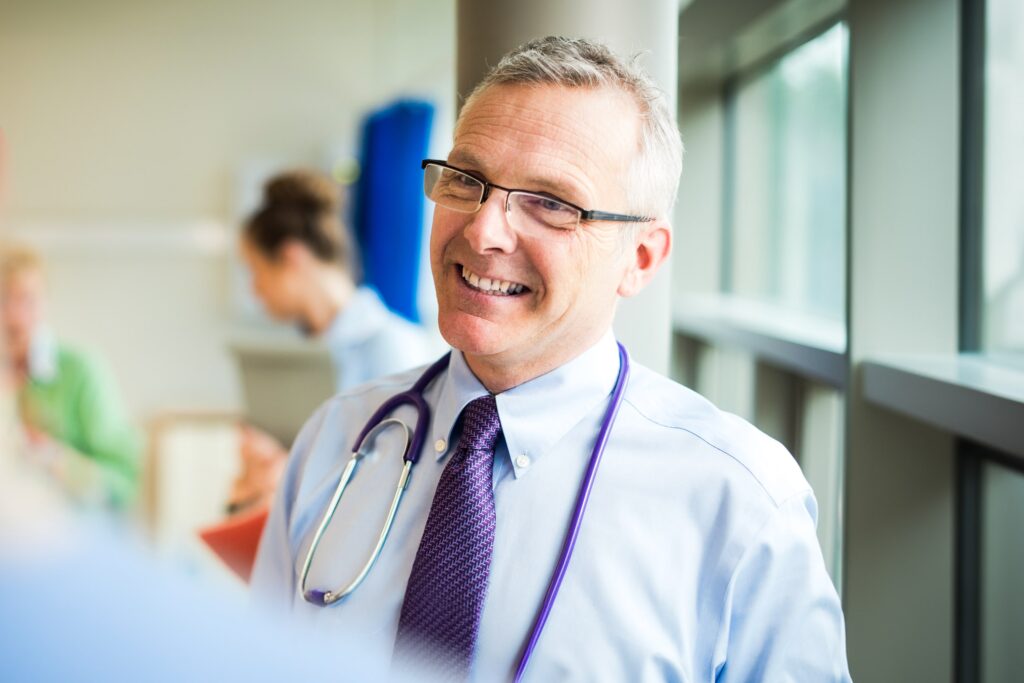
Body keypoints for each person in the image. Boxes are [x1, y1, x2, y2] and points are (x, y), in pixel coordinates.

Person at [251, 36, 851, 681]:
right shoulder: (336, 442)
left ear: (640, 259)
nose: (483, 230)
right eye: (466, 180)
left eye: (552, 203)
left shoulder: (740, 503)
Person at [227, 170, 435, 515]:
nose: (255, 289)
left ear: (292, 258)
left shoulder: (393, 347)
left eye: (256, 270)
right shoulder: (306, 358)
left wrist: (295, 476)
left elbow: (401, 484)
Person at [1, 243, 141, 509]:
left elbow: (126, 482)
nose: (13, 316)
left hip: (68, 537)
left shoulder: (82, 372)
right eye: (3, 299)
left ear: (45, 303)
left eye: (27, 300)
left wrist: (58, 461)